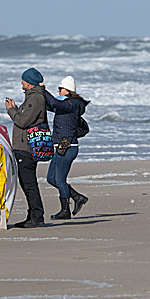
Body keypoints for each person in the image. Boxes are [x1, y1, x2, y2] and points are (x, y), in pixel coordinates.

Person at [5, 68, 49, 228]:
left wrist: (11, 110)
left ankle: (37, 217)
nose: (21, 82)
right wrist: (15, 108)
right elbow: (24, 118)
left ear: (29, 83)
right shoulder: (32, 98)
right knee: (26, 183)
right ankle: (33, 216)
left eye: (23, 80)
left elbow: (23, 122)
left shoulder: (35, 99)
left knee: (29, 184)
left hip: (26, 148)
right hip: (23, 147)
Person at [43, 76, 90, 220]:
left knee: (60, 179)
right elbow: (51, 104)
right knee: (51, 178)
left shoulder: (73, 104)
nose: (58, 91)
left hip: (68, 146)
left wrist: (43, 90)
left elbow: (54, 102)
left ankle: (65, 211)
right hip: (60, 146)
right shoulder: (65, 104)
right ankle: (77, 197)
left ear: (67, 90)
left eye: (60, 89)